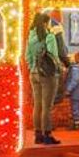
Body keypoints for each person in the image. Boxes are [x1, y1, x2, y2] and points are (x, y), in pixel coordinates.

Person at [26, 11, 62, 145]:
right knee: (47, 106)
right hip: (47, 75)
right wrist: (59, 67)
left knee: (38, 105)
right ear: (46, 23)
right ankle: (47, 134)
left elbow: (27, 56)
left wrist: (33, 67)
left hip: (34, 73)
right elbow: (54, 56)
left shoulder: (30, 36)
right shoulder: (49, 36)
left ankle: (38, 134)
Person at [64, 52, 79, 131]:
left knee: (75, 107)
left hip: (75, 91)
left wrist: (68, 89)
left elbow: (74, 80)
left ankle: (76, 123)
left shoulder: (75, 69)